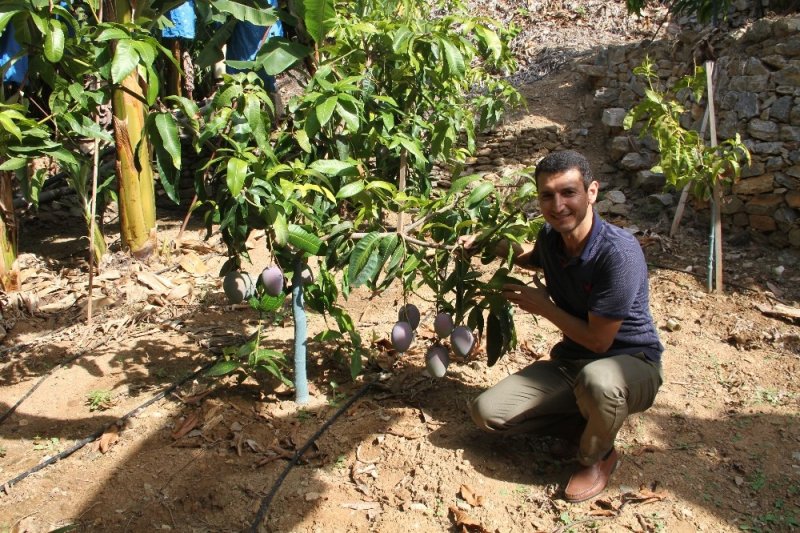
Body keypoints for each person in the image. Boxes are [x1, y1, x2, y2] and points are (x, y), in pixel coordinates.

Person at [465, 150, 664, 503]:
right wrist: (484, 243)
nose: (557, 206)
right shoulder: (552, 239)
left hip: (631, 363)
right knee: (487, 413)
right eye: (547, 195)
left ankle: (598, 456)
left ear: (592, 192)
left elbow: (600, 342)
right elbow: (528, 256)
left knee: (599, 381)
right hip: (573, 363)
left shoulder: (618, 253)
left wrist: (543, 307)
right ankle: (590, 424)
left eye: (568, 192)